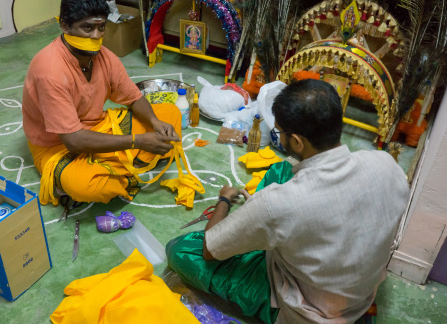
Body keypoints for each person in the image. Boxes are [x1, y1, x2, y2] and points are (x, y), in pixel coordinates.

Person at [166, 79, 409, 324]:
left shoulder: (277, 204)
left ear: (297, 141)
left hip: (308, 310)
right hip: (357, 292)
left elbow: (210, 250)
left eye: (279, 133)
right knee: (281, 169)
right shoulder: (386, 164)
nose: (278, 138)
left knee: (180, 250)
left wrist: (224, 200)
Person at [22, 0, 181, 206]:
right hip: (58, 145)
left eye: (101, 27)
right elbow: (74, 141)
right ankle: (112, 165)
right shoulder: (49, 70)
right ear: (65, 26)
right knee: (87, 187)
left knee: (169, 114)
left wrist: (154, 122)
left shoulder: (104, 57)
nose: (96, 36)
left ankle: (112, 162)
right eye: (87, 28)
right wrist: (138, 141)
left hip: (98, 126)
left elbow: (134, 98)